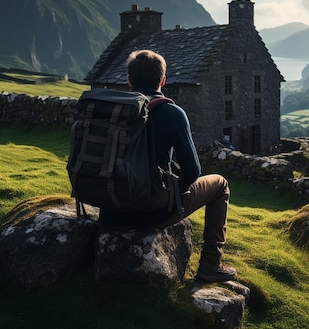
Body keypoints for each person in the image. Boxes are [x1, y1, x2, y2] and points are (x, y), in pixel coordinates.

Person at [99, 49, 237, 282]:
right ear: (163, 80)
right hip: (152, 212)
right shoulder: (172, 113)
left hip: (109, 207)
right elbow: (193, 173)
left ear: (129, 80)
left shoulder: (110, 109)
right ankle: (211, 264)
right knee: (220, 184)